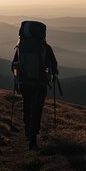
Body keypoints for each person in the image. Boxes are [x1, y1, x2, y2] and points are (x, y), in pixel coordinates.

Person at [11, 21, 58, 150]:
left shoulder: (21, 46)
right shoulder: (45, 47)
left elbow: (13, 66)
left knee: (27, 105)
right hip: (40, 83)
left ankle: (27, 130)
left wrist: (19, 78)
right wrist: (52, 73)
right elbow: (53, 65)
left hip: (25, 83)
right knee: (37, 109)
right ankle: (33, 138)